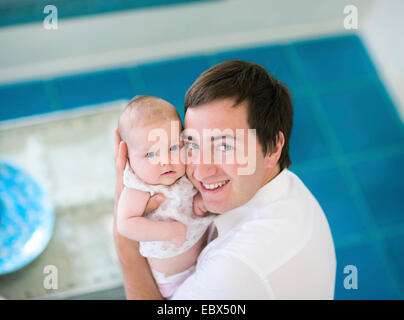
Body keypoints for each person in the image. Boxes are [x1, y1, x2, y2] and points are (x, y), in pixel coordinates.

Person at [113, 60, 337, 299]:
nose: (199, 171)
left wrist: (126, 244)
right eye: (191, 144)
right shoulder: (285, 188)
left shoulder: (236, 270)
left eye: (223, 146)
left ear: (273, 147)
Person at [116, 95, 213, 299]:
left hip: (203, 261)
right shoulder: (139, 187)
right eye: (151, 155)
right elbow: (125, 224)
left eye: (172, 148)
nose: (165, 160)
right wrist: (167, 231)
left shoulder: (185, 169)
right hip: (172, 281)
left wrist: (200, 201)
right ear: (129, 158)